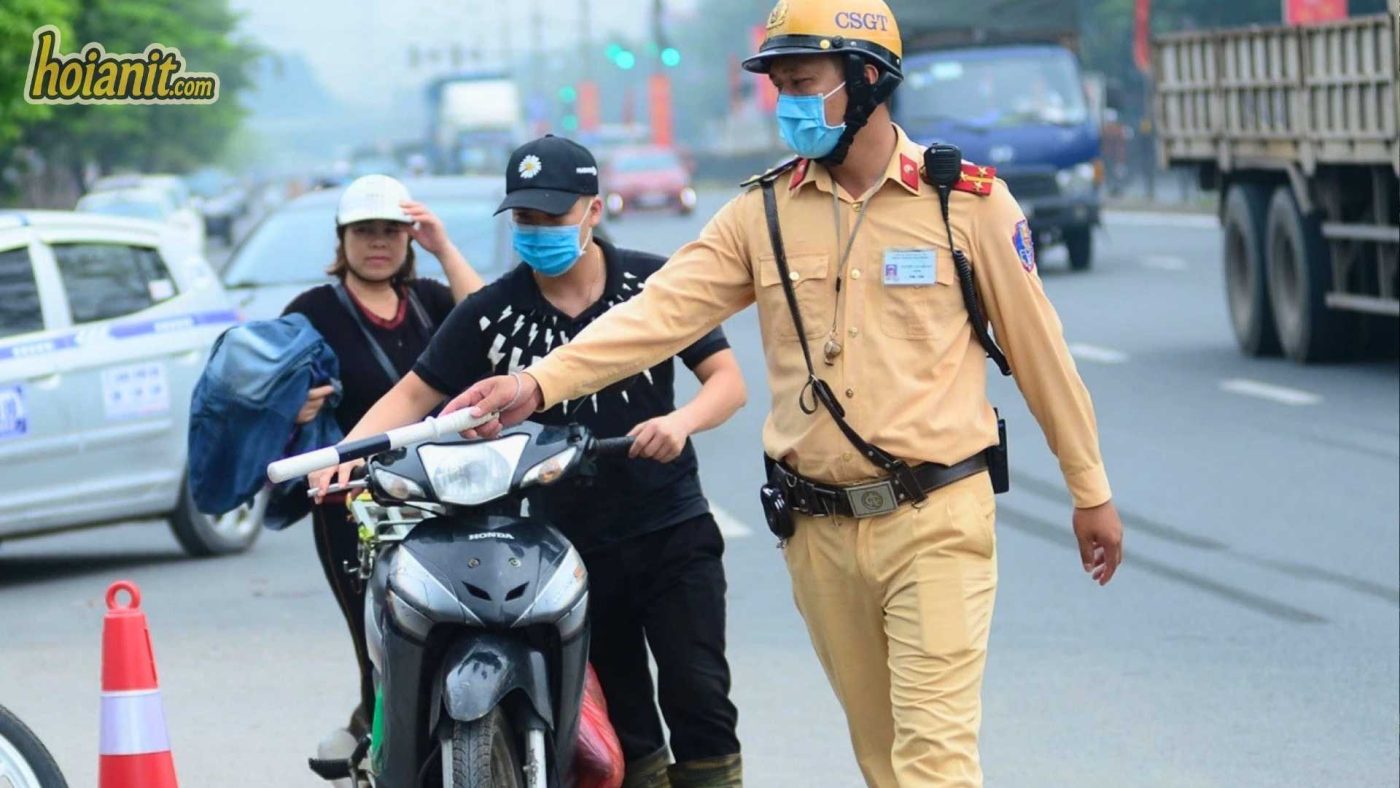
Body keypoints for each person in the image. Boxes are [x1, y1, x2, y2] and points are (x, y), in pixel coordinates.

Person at [444, 1, 1126, 786]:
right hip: (819, 534)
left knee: (933, 763)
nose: (788, 103)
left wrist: (1089, 488)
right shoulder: (759, 213)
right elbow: (659, 314)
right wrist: (538, 382)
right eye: (781, 86)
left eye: (804, 82)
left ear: (867, 79)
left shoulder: (963, 204)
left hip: (936, 518)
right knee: (882, 759)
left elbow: (1041, 355)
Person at [315, 136, 748, 787]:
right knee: (622, 724)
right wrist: (342, 457)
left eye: (553, 217)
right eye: (525, 219)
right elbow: (411, 397)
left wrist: (680, 421)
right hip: (564, 549)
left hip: (670, 528)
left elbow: (727, 382)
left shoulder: (653, 285)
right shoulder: (490, 312)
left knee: (700, 699)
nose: (538, 231)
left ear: (594, 210)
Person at [284, 173, 485, 738]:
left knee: (454, 616)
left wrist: (444, 247)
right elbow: (270, 389)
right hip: (350, 495)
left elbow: (488, 322)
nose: (378, 244)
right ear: (341, 241)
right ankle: (376, 732)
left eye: (391, 232)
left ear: (409, 240)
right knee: (375, 631)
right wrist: (295, 408)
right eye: (364, 232)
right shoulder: (311, 310)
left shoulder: (429, 300)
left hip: (440, 486)